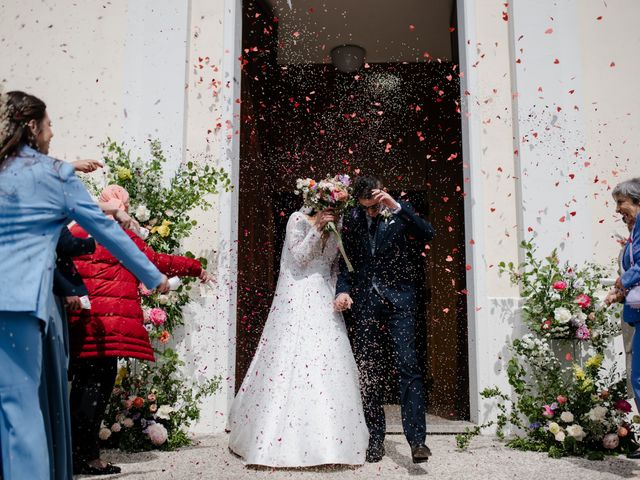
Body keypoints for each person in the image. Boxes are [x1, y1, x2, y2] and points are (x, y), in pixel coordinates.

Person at [0, 90, 169, 480]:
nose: (52, 132)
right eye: (48, 124)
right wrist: (152, 275)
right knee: (21, 409)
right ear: (32, 127)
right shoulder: (55, 174)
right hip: (21, 307)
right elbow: (107, 234)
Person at [67, 184, 210, 475]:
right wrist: (195, 267)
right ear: (123, 207)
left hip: (81, 321)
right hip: (108, 326)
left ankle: (72, 453)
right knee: (96, 391)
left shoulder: (77, 230)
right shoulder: (119, 235)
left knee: (81, 389)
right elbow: (154, 263)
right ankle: (88, 457)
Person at [228, 202, 369, 466]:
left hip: (324, 296)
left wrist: (341, 293)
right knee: (291, 358)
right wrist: (316, 229)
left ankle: (332, 444)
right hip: (298, 295)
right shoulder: (298, 220)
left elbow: (335, 267)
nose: (334, 210)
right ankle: (274, 440)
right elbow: (298, 258)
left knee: (327, 361)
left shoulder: (337, 227)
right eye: (330, 204)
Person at [334, 175, 435, 463]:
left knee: (409, 365)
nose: (370, 212)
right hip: (365, 302)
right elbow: (346, 261)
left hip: (401, 301)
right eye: (365, 207)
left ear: (382, 196)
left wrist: (397, 207)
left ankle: (417, 442)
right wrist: (343, 290)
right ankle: (375, 439)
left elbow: (428, 233)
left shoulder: (399, 211)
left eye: (374, 207)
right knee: (368, 369)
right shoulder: (352, 219)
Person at [609, 178, 640, 459]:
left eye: (622, 203)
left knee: (639, 377)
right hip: (635, 312)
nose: (618, 209)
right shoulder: (633, 232)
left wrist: (621, 282)